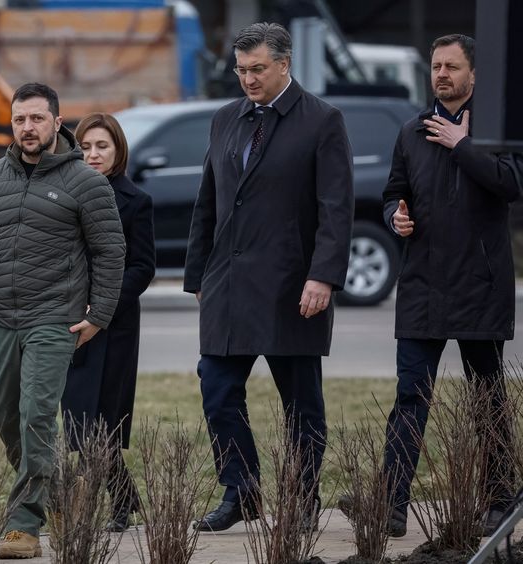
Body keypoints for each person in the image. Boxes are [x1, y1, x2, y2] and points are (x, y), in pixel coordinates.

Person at [340, 34, 522, 538]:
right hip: (423, 282)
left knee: (487, 397)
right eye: (436, 66)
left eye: (452, 66)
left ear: (474, 74)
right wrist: (393, 215)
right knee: (410, 396)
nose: (441, 74)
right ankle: (393, 506)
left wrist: (462, 145)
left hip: (479, 283)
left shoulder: (496, 130)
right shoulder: (410, 131)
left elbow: (511, 184)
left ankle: (501, 498)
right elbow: (393, 192)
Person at [0, 83, 125, 559]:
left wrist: (98, 315)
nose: (27, 128)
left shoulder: (87, 182)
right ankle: (59, 494)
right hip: (6, 318)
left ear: (56, 122)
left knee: (37, 417)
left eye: (37, 119)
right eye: (19, 119)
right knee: (3, 416)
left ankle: (23, 524)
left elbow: (110, 253)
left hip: (55, 320)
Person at [183, 22, 354, 532]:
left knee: (301, 401)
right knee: (215, 387)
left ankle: (303, 498)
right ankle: (243, 491)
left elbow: (336, 208)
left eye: (257, 69)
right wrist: (198, 277)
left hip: (292, 286)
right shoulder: (225, 120)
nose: (248, 80)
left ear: (284, 64)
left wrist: (323, 276)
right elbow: (208, 202)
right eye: (240, 70)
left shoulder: (322, 121)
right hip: (228, 286)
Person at [61, 113, 156, 532]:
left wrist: (103, 307)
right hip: (68, 319)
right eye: (85, 146)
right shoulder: (64, 193)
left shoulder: (135, 201)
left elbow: (142, 266)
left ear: (118, 151)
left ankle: (116, 506)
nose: (93, 154)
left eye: (103, 146)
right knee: (79, 418)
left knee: (105, 417)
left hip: (114, 324)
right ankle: (124, 500)